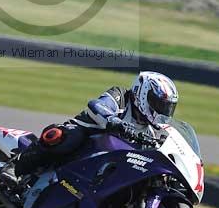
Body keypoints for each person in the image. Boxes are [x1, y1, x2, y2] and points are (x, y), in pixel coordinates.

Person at [15, 71, 179, 177]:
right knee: (64, 137)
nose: (162, 110)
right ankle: (15, 166)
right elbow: (98, 105)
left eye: (167, 107)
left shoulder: (153, 130)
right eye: (158, 104)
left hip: (107, 164)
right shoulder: (121, 96)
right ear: (142, 94)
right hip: (86, 137)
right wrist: (115, 122)